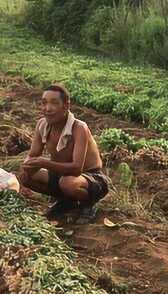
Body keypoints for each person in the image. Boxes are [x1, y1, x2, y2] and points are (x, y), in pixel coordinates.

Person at [19, 84, 109, 224]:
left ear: (66, 106)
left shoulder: (79, 128)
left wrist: (44, 163)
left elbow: (76, 168)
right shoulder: (42, 125)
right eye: (44, 103)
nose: (47, 108)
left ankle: (88, 204)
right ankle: (67, 202)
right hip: (62, 175)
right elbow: (33, 154)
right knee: (26, 176)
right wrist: (29, 164)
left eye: (54, 103)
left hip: (90, 178)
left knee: (67, 183)